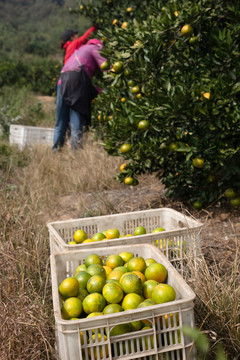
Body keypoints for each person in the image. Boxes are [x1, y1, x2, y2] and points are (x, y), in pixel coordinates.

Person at [52, 39, 107, 150]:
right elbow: (105, 67)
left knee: (61, 120)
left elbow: (88, 85)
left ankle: (56, 150)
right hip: (76, 78)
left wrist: (98, 90)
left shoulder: (80, 50)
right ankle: (75, 152)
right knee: (76, 115)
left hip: (61, 80)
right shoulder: (95, 48)